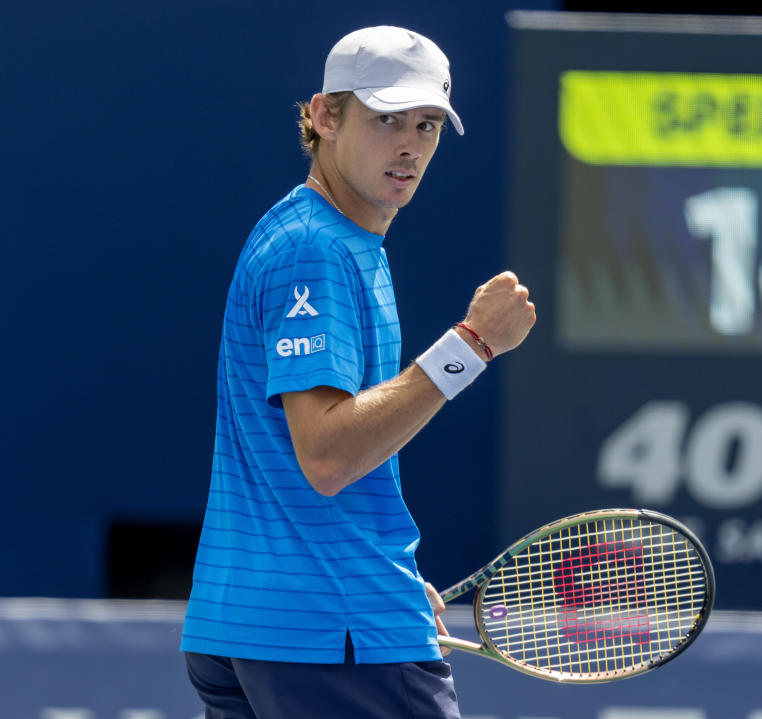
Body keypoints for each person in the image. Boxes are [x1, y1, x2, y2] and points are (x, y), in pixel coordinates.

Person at [179, 25, 536, 719]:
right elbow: (329, 454)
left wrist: (386, 577)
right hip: (328, 636)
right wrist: (473, 345)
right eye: (387, 120)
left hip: (254, 627)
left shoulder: (321, 236)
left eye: (427, 124)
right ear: (324, 116)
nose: (410, 144)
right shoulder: (315, 248)